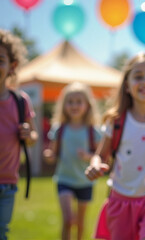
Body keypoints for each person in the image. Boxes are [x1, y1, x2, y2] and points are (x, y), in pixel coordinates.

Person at [85, 52, 145, 240]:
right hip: (121, 201)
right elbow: (100, 155)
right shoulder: (116, 122)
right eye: (138, 76)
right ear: (127, 86)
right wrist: (95, 164)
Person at [43, 82, 101, 240]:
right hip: (64, 179)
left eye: (78, 102)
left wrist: (88, 157)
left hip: (85, 181)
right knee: (68, 220)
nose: (74, 105)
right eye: (70, 102)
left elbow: (100, 155)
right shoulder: (59, 129)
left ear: (87, 105)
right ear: (63, 105)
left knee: (81, 222)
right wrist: (49, 155)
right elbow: (53, 153)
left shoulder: (93, 131)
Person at [0, 29, 38, 240]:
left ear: (12, 66)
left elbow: (33, 138)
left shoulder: (20, 101)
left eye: (0, 59)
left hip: (7, 183)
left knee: (1, 232)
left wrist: (27, 134)